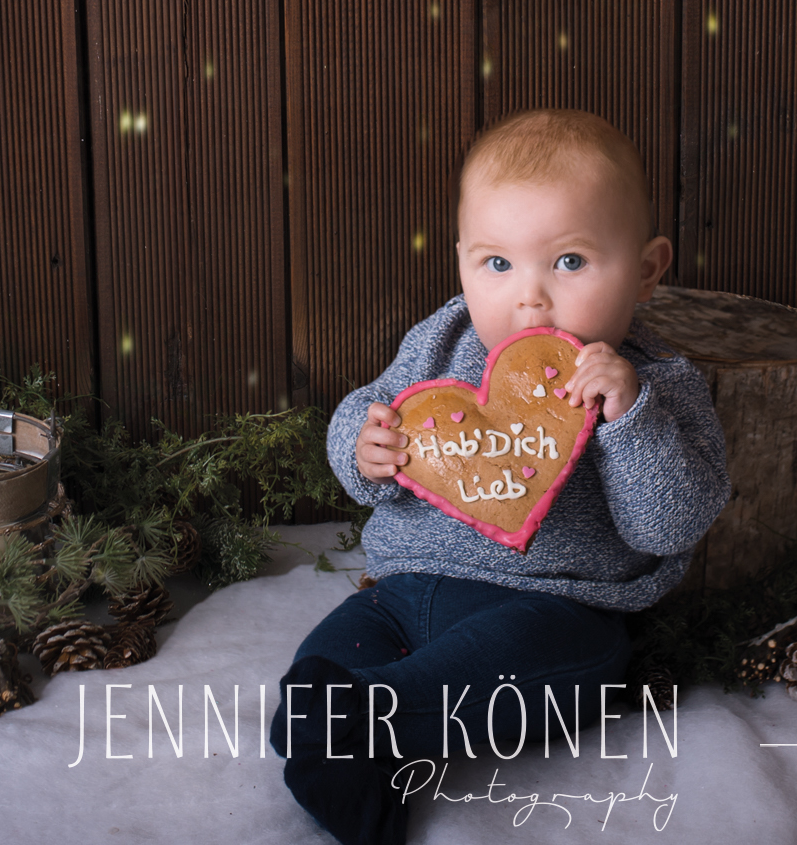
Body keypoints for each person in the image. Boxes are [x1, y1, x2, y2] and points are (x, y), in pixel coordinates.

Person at [271, 109, 730, 845]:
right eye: (498, 263)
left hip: (553, 606)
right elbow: (370, 407)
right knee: (324, 660)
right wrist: (364, 448)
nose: (530, 296)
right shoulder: (442, 340)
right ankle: (349, 753)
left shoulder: (656, 384)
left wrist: (630, 417)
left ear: (646, 270)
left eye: (570, 261)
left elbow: (672, 521)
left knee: (516, 667)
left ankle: (373, 723)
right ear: (462, 264)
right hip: (401, 591)